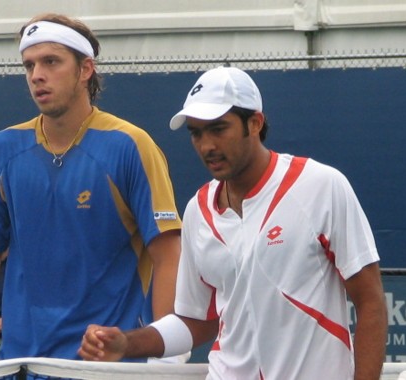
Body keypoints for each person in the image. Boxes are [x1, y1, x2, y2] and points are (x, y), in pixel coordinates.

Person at [79, 67, 388, 380]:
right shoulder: (197, 211)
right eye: (196, 133)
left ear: (255, 123)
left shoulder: (322, 186)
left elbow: (370, 301)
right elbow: (195, 321)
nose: (206, 145)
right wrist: (126, 343)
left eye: (218, 129)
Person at [0, 13, 181, 364]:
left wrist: (165, 361)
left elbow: (168, 256)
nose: (37, 75)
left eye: (51, 61)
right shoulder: (2, 150)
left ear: (85, 69)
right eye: (29, 65)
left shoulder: (131, 146)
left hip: (107, 370)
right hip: (20, 363)